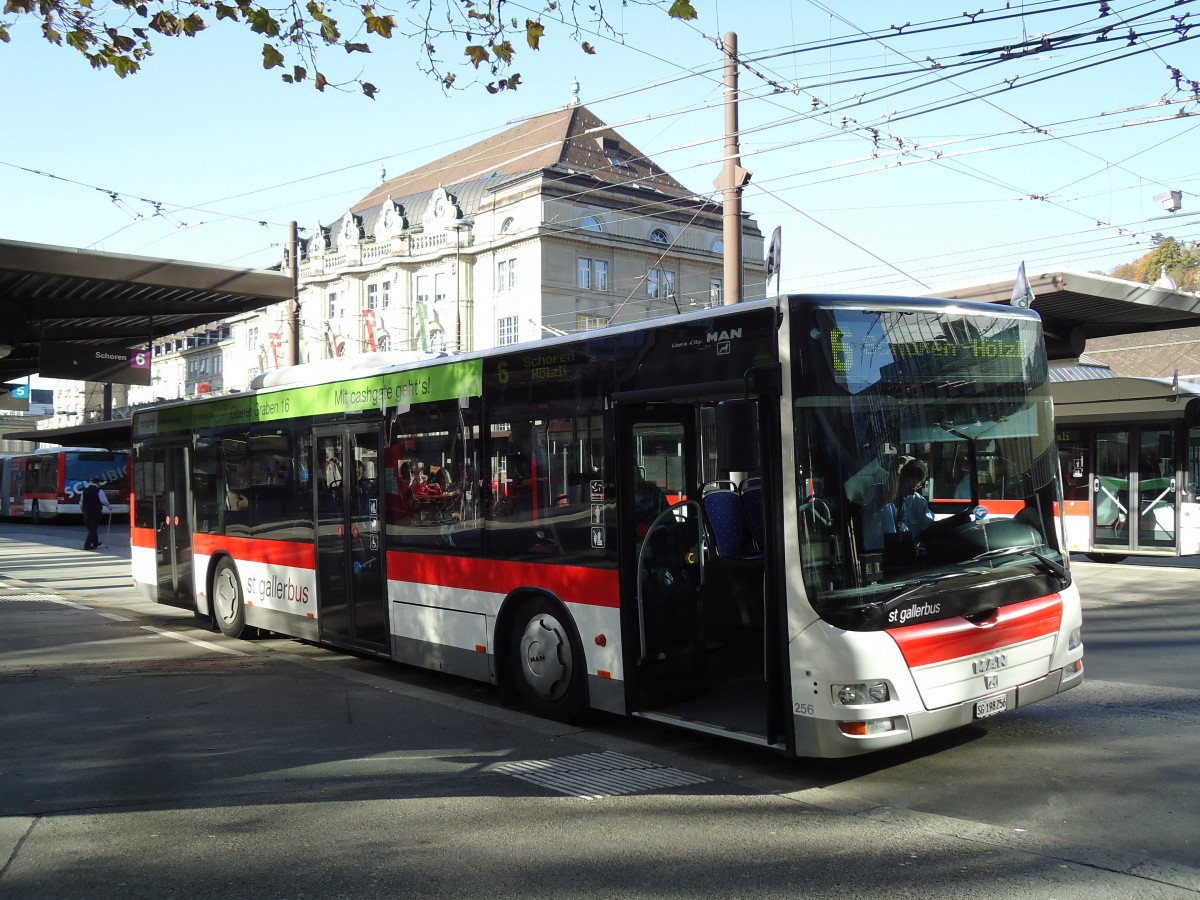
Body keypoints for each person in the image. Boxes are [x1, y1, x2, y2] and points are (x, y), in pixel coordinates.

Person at [895, 457, 933, 537]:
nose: (912, 493)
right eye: (908, 486)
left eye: (916, 487)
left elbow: (929, 528)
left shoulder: (919, 502)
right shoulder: (887, 500)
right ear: (900, 479)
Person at [80, 475, 112, 551]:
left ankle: (95, 542)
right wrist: (109, 506)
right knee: (93, 529)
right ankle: (87, 545)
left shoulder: (85, 490)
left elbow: (81, 501)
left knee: (91, 528)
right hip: (95, 511)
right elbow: (103, 500)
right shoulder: (99, 490)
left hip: (86, 511)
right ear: (98, 483)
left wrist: (82, 508)